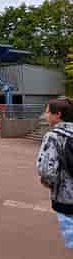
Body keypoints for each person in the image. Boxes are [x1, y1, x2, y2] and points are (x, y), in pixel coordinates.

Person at [36, 98, 73, 249]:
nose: (46, 115)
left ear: (58, 114)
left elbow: (47, 170)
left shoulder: (54, 136)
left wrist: (47, 182)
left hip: (66, 197)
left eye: (47, 112)